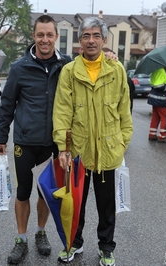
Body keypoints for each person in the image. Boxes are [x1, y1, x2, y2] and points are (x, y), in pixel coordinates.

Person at [52, 17, 133, 266]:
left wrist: (122, 144)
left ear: (104, 40)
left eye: (96, 35)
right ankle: (74, 243)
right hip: (78, 151)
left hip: (109, 152)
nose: (91, 40)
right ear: (79, 41)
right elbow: (63, 112)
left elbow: (124, 112)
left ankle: (106, 247)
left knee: (107, 207)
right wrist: (64, 149)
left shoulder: (115, 69)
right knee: (75, 204)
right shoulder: (69, 72)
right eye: (86, 36)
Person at [0, 15, 72, 264]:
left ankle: (40, 233)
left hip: (53, 143)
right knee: (23, 192)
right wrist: (1, 136)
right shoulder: (20, 68)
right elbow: (7, 104)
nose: (45, 39)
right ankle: (21, 239)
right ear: (33, 36)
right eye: (40, 34)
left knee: (46, 192)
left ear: (56, 37)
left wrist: (111, 56)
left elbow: (91, 66)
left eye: (50, 34)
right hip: (25, 143)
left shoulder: (66, 66)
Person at [147, 67, 166, 143]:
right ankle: (162, 136)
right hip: (161, 99)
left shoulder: (156, 70)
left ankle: (152, 134)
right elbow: (159, 86)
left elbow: (154, 84)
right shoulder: (161, 71)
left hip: (155, 98)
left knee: (155, 116)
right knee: (165, 117)